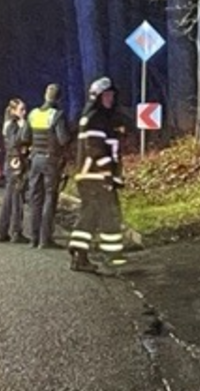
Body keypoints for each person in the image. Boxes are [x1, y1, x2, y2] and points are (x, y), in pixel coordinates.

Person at [68, 77, 128, 273]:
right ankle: (112, 258)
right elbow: (95, 149)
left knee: (91, 215)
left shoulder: (99, 118)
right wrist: (108, 174)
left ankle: (80, 254)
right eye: (106, 95)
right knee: (107, 215)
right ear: (97, 97)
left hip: (94, 176)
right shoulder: (95, 118)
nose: (110, 99)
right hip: (95, 177)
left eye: (111, 95)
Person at [26, 83, 71, 249]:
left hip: (35, 159)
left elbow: (24, 136)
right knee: (50, 198)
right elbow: (63, 139)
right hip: (51, 160)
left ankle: (33, 238)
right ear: (59, 98)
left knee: (35, 198)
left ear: (45, 96)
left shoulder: (33, 114)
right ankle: (45, 240)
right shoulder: (57, 115)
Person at [0, 98, 31, 244]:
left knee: (9, 199)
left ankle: (3, 231)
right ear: (13, 111)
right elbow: (16, 142)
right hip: (15, 164)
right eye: (21, 109)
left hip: (13, 163)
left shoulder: (9, 124)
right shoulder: (12, 125)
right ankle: (16, 231)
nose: (24, 112)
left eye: (25, 109)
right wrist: (24, 126)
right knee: (16, 199)